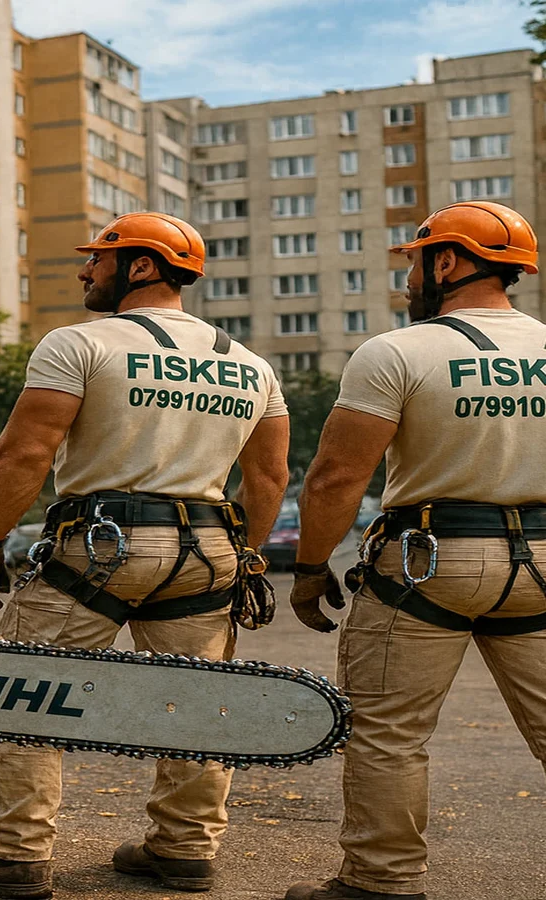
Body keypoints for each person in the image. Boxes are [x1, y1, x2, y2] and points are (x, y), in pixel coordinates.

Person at [0, 212, 291, 899]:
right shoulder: (250, 366)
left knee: (25, 693)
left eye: (96, 260)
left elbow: (24, 451)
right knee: (194, 702)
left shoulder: (77, 345)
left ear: (140, 266)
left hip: (100, 543)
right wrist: (247, 557)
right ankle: (184, 849)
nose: (83, 271)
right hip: (207, 547)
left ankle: (13, 852)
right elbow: (271, 477)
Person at [285, 201, 544, 900]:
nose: (409, 279)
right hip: (545, 562)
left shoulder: (398, 351)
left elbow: (338, 475)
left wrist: (310, 570)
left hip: (431, 562)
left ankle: (381, 881)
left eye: (416, 262)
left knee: (388, 733)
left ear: (450, 261)